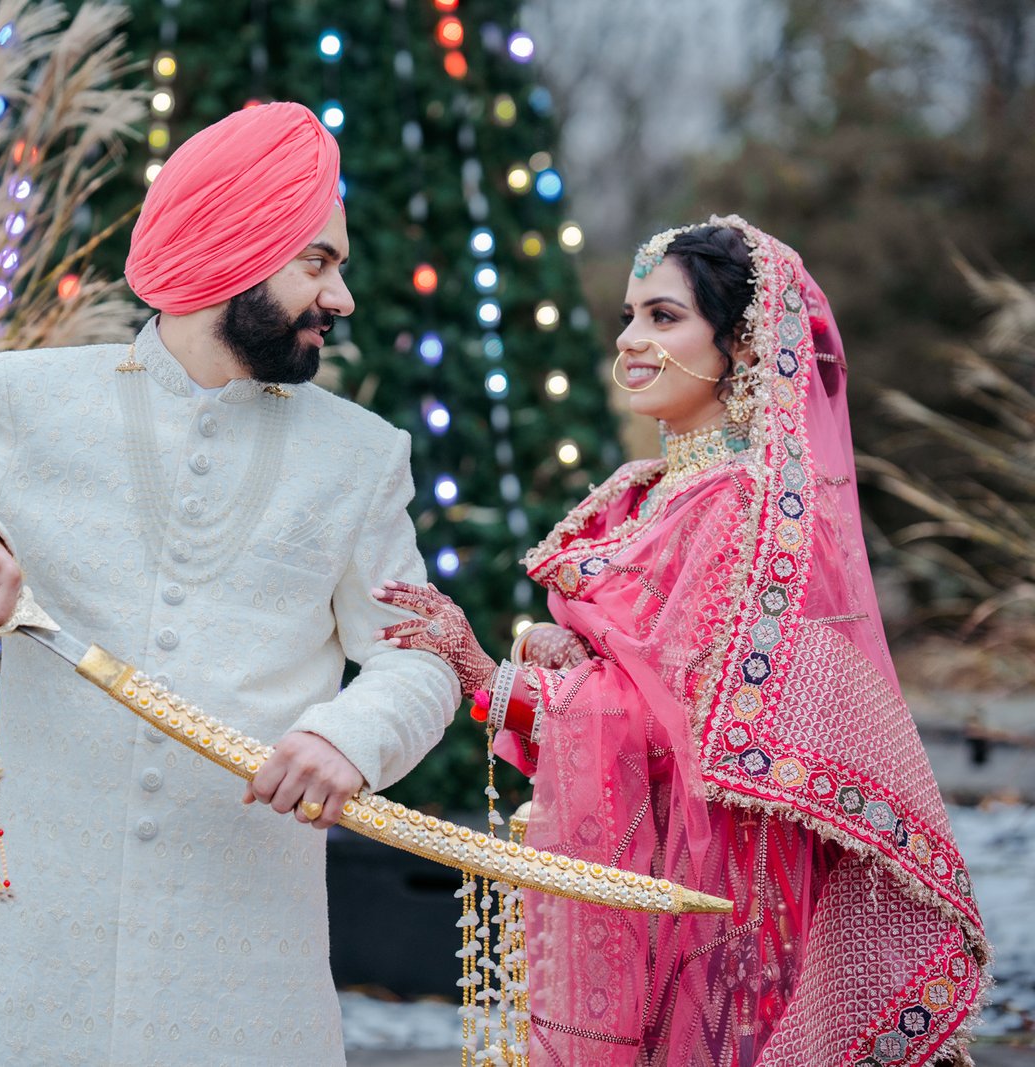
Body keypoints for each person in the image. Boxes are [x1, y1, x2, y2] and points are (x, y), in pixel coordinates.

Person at [0, 102, 459, 1066]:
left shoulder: (361, 458)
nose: (342, 298)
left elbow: (421, 658)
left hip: (244, 958)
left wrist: (347, 738)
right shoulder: (33, 397)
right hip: (30, 946)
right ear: (235, 249)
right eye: (318, 263)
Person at [375, 216, 988, 1066]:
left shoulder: (741, 505)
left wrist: (484, 669)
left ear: (739, 343)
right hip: (676, 881)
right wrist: (576, 657)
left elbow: (685, 728)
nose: (629, 340)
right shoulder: (657, 493)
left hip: (726, 903)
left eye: (663, 317)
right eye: (629, 316)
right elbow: (655, 670)